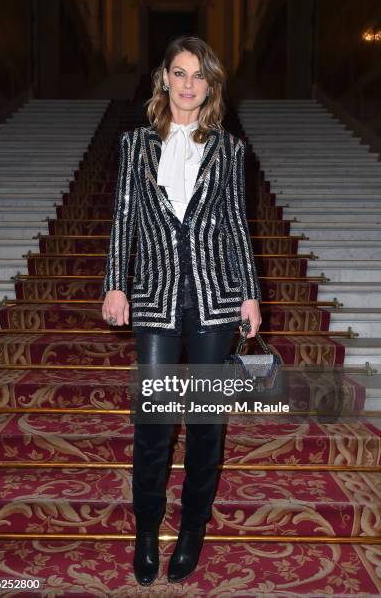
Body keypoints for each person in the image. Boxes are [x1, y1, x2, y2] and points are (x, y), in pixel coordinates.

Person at [101, 35, 262, 587]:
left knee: (205, 424)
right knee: (152, 422)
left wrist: (250, 293)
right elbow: (123, 218)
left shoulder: (230, 149)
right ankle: (147, 529)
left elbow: (238, 225)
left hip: (215, 301)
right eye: (180, 72)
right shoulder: (133, 145)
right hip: (154, 299)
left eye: (199, 75)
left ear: (209, 86)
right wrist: (115, 285)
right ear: (164, 78)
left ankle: (193, 527)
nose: (189, 83)